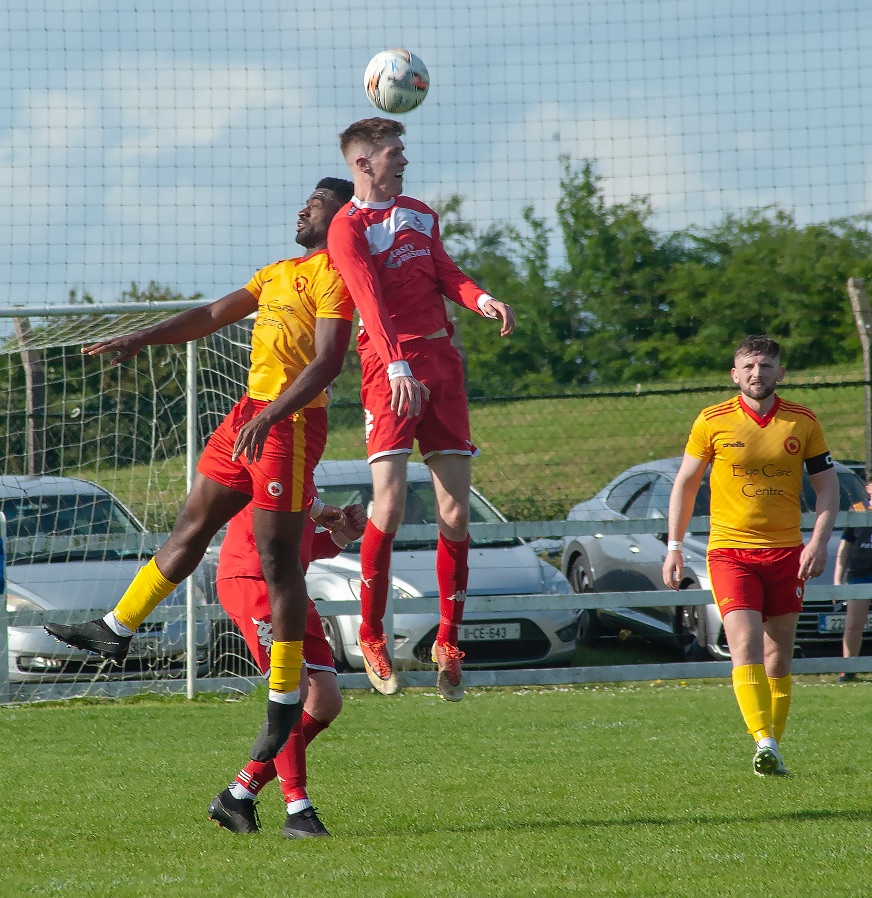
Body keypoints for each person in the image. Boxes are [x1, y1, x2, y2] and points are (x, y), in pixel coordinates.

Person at [45, 177, 356, 763]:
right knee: (191, 526)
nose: (302, 209)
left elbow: (328, 362)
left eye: (316, 204)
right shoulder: (276, 273)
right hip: (248, 416)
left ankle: (284, 696)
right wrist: (144, 337)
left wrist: (272, 416)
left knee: (277, 561)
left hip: (288, 424)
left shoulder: (337, 276)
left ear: (341, 219)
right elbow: (213, 313)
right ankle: (117, 628)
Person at [326, 117, 516, 701]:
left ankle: (449, 641)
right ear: (364, 163)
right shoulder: (346, 226)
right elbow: (368, 301)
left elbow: (446, 275)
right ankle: (372, 634)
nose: (404, 160)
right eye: (394, 152)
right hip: (389, 370)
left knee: (455, 513)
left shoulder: (420, 214)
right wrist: (396, 366)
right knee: (388, 504)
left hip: (441, 365)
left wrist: (482, 299)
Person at [662, 335, 838, 777]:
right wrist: (674, 546)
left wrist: (818, 542)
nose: (757, 373)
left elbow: (827, 487)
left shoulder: (803, 421)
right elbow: (685, 484)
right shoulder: (712, 420)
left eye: (766, 365)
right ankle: (763, 740)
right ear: (734, 374)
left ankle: (771, 751)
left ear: (781, 372)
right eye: (749, 366)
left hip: (787, 553)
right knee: (745, 645)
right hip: (730, 553)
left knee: (779, 658)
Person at [208, 497, 367, 839]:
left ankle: (239, 794)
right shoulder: (281, 475)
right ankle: (298, 810)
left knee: (325, 702)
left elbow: (303, 548)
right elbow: (278, 501)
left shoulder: (305, 481)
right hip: (252, 582)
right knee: (292, 689)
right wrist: (320, 509)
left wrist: (342, 537)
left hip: (289, 588)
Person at [833, 474, 872, 682]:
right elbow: (844, 549)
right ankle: (848, 668)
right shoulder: (856, 510)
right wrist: (837, 581)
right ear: (868, 488)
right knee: (854, 623)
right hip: (859, 574)